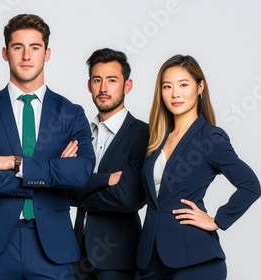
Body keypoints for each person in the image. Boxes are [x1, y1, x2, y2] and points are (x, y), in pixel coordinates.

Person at [0, 14, 96, 279]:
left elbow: (81, 174)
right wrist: (51, 175)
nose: (26, 56)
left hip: (53, 248)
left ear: (47, 53)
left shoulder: (71, 113)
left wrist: (15, 163)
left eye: (35, 47)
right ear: (5, 52)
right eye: (17, 47)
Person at [136, 54, 261, 279]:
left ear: (200, 86)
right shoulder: (156, 139)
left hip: (196, 261)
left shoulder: (210, 138)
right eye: (167, 86)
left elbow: (251, 185)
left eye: (183, 85)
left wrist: (217, 220)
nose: (175, 93)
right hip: (151, 260)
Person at [69, 48, 148, 280]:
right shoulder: (80, 133)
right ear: (89, 85)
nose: (103, 88)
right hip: (76, 253)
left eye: (112, 80)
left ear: (127, 85)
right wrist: (105, 181)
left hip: (118, 257)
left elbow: (128, 197)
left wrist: (79, 191)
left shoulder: (143, 134)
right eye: (97, 80)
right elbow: (64, 190)